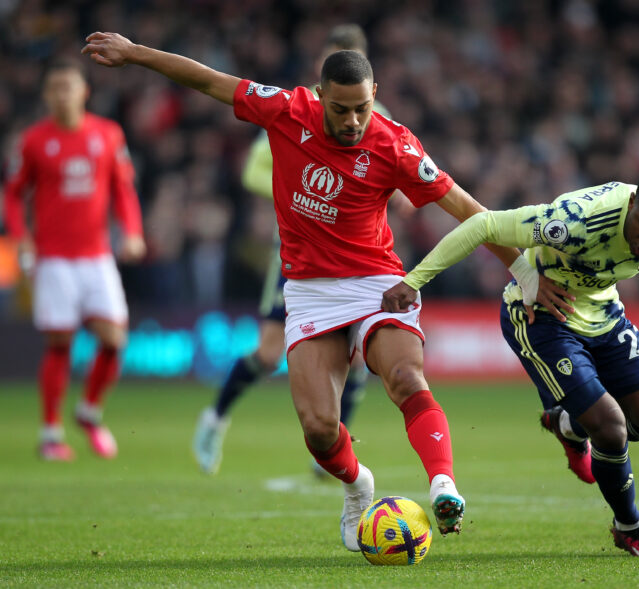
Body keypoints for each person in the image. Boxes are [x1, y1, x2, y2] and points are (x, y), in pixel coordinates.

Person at [81, 31, 567, 551]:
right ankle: (358, 485)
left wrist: (524, 270)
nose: (353, 120)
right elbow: (207, 80)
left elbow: (471, 212)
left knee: (405, 375)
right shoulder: (285, 110)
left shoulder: (396, 144)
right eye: (341, 109)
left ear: (375, 92)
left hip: (379, 282)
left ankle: (443, 484)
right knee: (318, 428)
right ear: (319, 95)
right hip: (310, 290)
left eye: (362, 107)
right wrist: (135, 55)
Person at [382, 160, 639, 558]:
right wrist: (414, 281)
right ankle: (630, 527)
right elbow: (484, 224)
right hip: (541, 317)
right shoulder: (574, 221)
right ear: (633, 201)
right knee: (611, 427)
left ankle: (567, 423)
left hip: (603, 315)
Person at [193, 24, 389, 477]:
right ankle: (215, 418)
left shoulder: (381, 121)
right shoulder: (300, 113)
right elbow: (252, 171)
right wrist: (298, 188)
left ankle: (334, 452)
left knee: (361, 359)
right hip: (298, 257)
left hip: (357, 262)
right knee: (267, 354)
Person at [3, 58, 146, 461]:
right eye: (56, 88)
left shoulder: (107, 134)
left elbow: (123, 190)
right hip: (53, 259)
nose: (63, 95)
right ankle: (50, 433)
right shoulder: (33, 140)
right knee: (60, 342)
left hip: (97, 255)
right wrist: (21, 238)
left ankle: (88, 411)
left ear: (84, 92)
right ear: (47, 95)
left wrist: (132, 231)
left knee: (115, 340)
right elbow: (13, 194)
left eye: (70, 87)